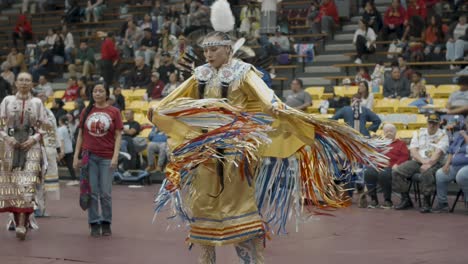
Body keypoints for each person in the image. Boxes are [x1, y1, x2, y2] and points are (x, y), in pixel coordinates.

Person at [150, 24, 386, 262]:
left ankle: (251, 260)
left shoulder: (243, 72)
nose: (208, 55)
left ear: (228, 49)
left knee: (239, 208)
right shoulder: (200, 73)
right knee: (203, 206)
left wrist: (276, 107)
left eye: (214, 50)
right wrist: (158, 109)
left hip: (235, 151)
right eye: (205, 51)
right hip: (205, 153)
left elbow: (265, 96)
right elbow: (175, 98)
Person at [0, 72, 48, 240]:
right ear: (16, 83)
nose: (24, 83)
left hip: (31, 147)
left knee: (27, 184)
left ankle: (22, 223)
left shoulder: (37, 103)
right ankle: (15, 219)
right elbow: (0, 125)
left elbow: (43, 127)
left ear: (32, 83)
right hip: (10, 147)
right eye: (21, 80)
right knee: (14, 185)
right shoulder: (7, 101)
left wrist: (33, 139)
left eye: (27, 80)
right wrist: (7, 138)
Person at [73, 84, 122, 237]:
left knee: (105, 193)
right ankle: (94, 222)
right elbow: (80, 135)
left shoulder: (114, 111)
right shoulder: (86, 111)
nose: (97, 93)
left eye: (101, 91)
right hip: (89, 157)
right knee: (92, 192)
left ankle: (106, 222)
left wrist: (115, 156)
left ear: (107, 94)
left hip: (107, 157)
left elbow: (118, 135)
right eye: (95, 91)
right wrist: (76, 156)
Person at [392, 114, 449, 213]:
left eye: (435, 123)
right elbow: (413, 151)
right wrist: (423, 161)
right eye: (430, 122)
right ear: (427, 122)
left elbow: (438, 153)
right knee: (397, 172)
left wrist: (428, 164)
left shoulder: (443, 135)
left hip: (435, 162)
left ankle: (427, 202)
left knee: (426, 172)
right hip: (419, 161)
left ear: (439, 124)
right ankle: (405, 199)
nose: (432, 125)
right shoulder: (418, 133)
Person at [364, 123, 409, 208]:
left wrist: (397, 164)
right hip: (379, 166)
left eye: (391, 131)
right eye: (386, 131)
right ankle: (374, 199)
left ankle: (387, 200)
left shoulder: (401, 144)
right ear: (383, 132)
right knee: (368, 172)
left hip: (392, 167)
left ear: (395, 132)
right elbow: (373, 155)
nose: (389, 133)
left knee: (384, 174)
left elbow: (405, 156)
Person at [32, 86, 61, 217]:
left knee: (45, 181)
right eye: (40, 95)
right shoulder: (30, 112)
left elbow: (55, 130)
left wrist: (59, 148)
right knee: (35, 179)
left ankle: (42, 208)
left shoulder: (49, 112)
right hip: (35, 148)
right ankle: (34, 207)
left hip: (50, 149)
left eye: (44, 95)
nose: (43, 97)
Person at [434, 117, 468, 212]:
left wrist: (465, 136)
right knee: (440, 174)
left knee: (462, 175)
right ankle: (443, 204)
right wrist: (447, 164)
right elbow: (451, 151)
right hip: (456, 166)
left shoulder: (463, 135)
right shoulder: (460, 136)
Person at [58, 115, 79, 186]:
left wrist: (62, 151)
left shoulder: (60, 129)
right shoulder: (68, 128)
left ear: (61, 121)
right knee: (70, 165)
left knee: (55, 163)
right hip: (70, 149)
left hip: (64, 150)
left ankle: (74, 179)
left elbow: (61, 141)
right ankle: (74, 179)